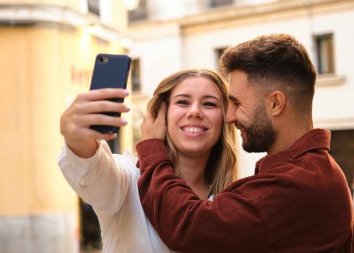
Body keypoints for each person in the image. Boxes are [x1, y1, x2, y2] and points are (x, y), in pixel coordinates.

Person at [136, 34, 354, 252]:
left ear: (276, 104)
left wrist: (152, 148)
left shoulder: (295, 184)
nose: (229, 117)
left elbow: (190, 227)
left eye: (237, 104)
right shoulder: (315, 171)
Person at [58, 69, 239, 253]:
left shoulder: (233, 201)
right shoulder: (128, 179)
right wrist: (77, 139)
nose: (195, 112)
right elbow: (96, 175)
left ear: (225, 118)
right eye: (183, 102)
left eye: (209, 104)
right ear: (160, 116)